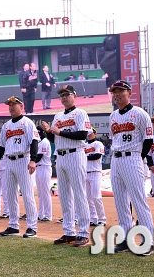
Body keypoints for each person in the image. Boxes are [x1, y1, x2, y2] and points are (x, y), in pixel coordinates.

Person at [107, 80, 154, 256]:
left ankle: (147, 241)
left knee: (138, 201)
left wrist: (138, 158)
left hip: (133, 157)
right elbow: (114, 139)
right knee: (120, 202)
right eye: (115, 91)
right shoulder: (112, 116)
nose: (117, 94)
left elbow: (149, 139)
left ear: (129, 93)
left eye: (121, 91)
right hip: (116, 159)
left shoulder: (140, 113)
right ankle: (126, 239)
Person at [41, 84, 91, 248]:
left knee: (79, 194)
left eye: (66, 94)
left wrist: (59, 132)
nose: (63, 97)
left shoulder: (80, 113)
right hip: (61, 156)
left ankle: (83, 233)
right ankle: (69, 232)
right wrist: (49, 132)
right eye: (61, 95)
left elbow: (83, 135)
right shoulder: (57, 116)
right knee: (64, 196)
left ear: (74, 96)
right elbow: (55, 140)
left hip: (76, 154)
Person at [0, 96, 39, 238]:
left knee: (27, 195)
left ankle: (32, 227)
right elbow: (1, 145)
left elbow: (34, 142)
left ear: (21, 106)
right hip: (9, 161)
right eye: (9, 105)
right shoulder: (6, 125)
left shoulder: (27, 123)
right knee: (10, 195)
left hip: (23, 160)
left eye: (14, 104)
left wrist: (33, 160)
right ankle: (13, 225)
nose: (11, 107)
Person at [84, 127, 106, 227]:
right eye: (88, 133)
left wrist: (84, 157)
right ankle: (94, 219)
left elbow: (97, 156)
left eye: (91, 133)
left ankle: (102, 219)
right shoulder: (84, 145)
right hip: (85, 173)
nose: (89, 135)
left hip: (95, 172)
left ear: (95, 134)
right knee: (89, 198)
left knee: (96, 197)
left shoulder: (98, 144)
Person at [35, 126, 53, 222]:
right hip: (38, 168)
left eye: (38, 132)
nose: (37, 134)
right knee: (40, 193)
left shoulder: (45, 142)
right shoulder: (39, 142)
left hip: (44, 167)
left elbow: (38, 157)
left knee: (45, 192)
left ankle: (48, 215)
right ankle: (41, 214)